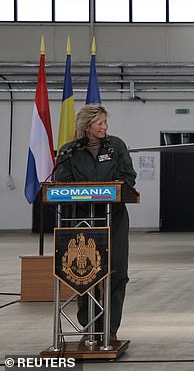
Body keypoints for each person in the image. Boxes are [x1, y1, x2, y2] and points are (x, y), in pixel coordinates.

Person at [55, 104, 137, 343]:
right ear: (87, 126)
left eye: (105, 123)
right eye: (100, 123)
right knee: (84, 272)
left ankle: (110, 329)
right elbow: (63, 182)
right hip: (81, 219)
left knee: (116, 272)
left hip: (114, 219)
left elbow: (128, 177)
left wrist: (111, 189)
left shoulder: (116, 146)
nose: (105, 127)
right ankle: (89, 327)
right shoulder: (69, 151)